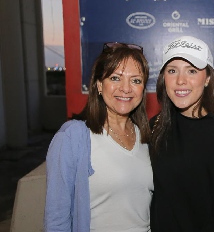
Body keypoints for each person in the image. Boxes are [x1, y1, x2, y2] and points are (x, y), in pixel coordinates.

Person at [45, 43, 154, 231]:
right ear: (99, 85)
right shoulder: (73, 137)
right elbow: (56, 219)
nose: (126, 88)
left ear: (143, 89)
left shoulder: (146, 136)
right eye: (115, 78)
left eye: (136, 80)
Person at [149, 36, 214, 231]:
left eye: (192, 71)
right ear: (164, 78)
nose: (181, 80)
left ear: (207, 79)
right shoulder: (154, 127)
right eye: (172, 71)